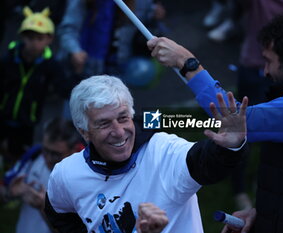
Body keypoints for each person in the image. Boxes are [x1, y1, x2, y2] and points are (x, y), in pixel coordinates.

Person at [147, 10, 283, 233]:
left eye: (268, 61)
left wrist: (187, 63)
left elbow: (235, 119)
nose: (264, 71)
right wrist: (263, 211)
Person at [44, 74, 249, 233]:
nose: (118, 132)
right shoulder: (66, 174)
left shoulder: (163, 152)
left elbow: (205, 162)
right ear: (84, 132)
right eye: (104, 123)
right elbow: (59, 214)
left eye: (123, 118)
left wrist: (229, 146)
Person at [0, 6, 70, 168]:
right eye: (30, 38)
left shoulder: (51, 66)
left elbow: (63, 87)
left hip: (28, 121)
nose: (34, 43)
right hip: (3, 113)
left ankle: (14, 176)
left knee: (19, 154)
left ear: (49, 40)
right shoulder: (9, 59)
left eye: (40, 39)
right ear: (22, 37)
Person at [1, 117, 84, 233]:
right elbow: (3, 191)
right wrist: (9, 192)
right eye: (46, 150)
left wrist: (44, 208)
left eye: (56, 154)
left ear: (74, 150)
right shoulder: (34, 155)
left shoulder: (84, 178)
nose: (48, 159)